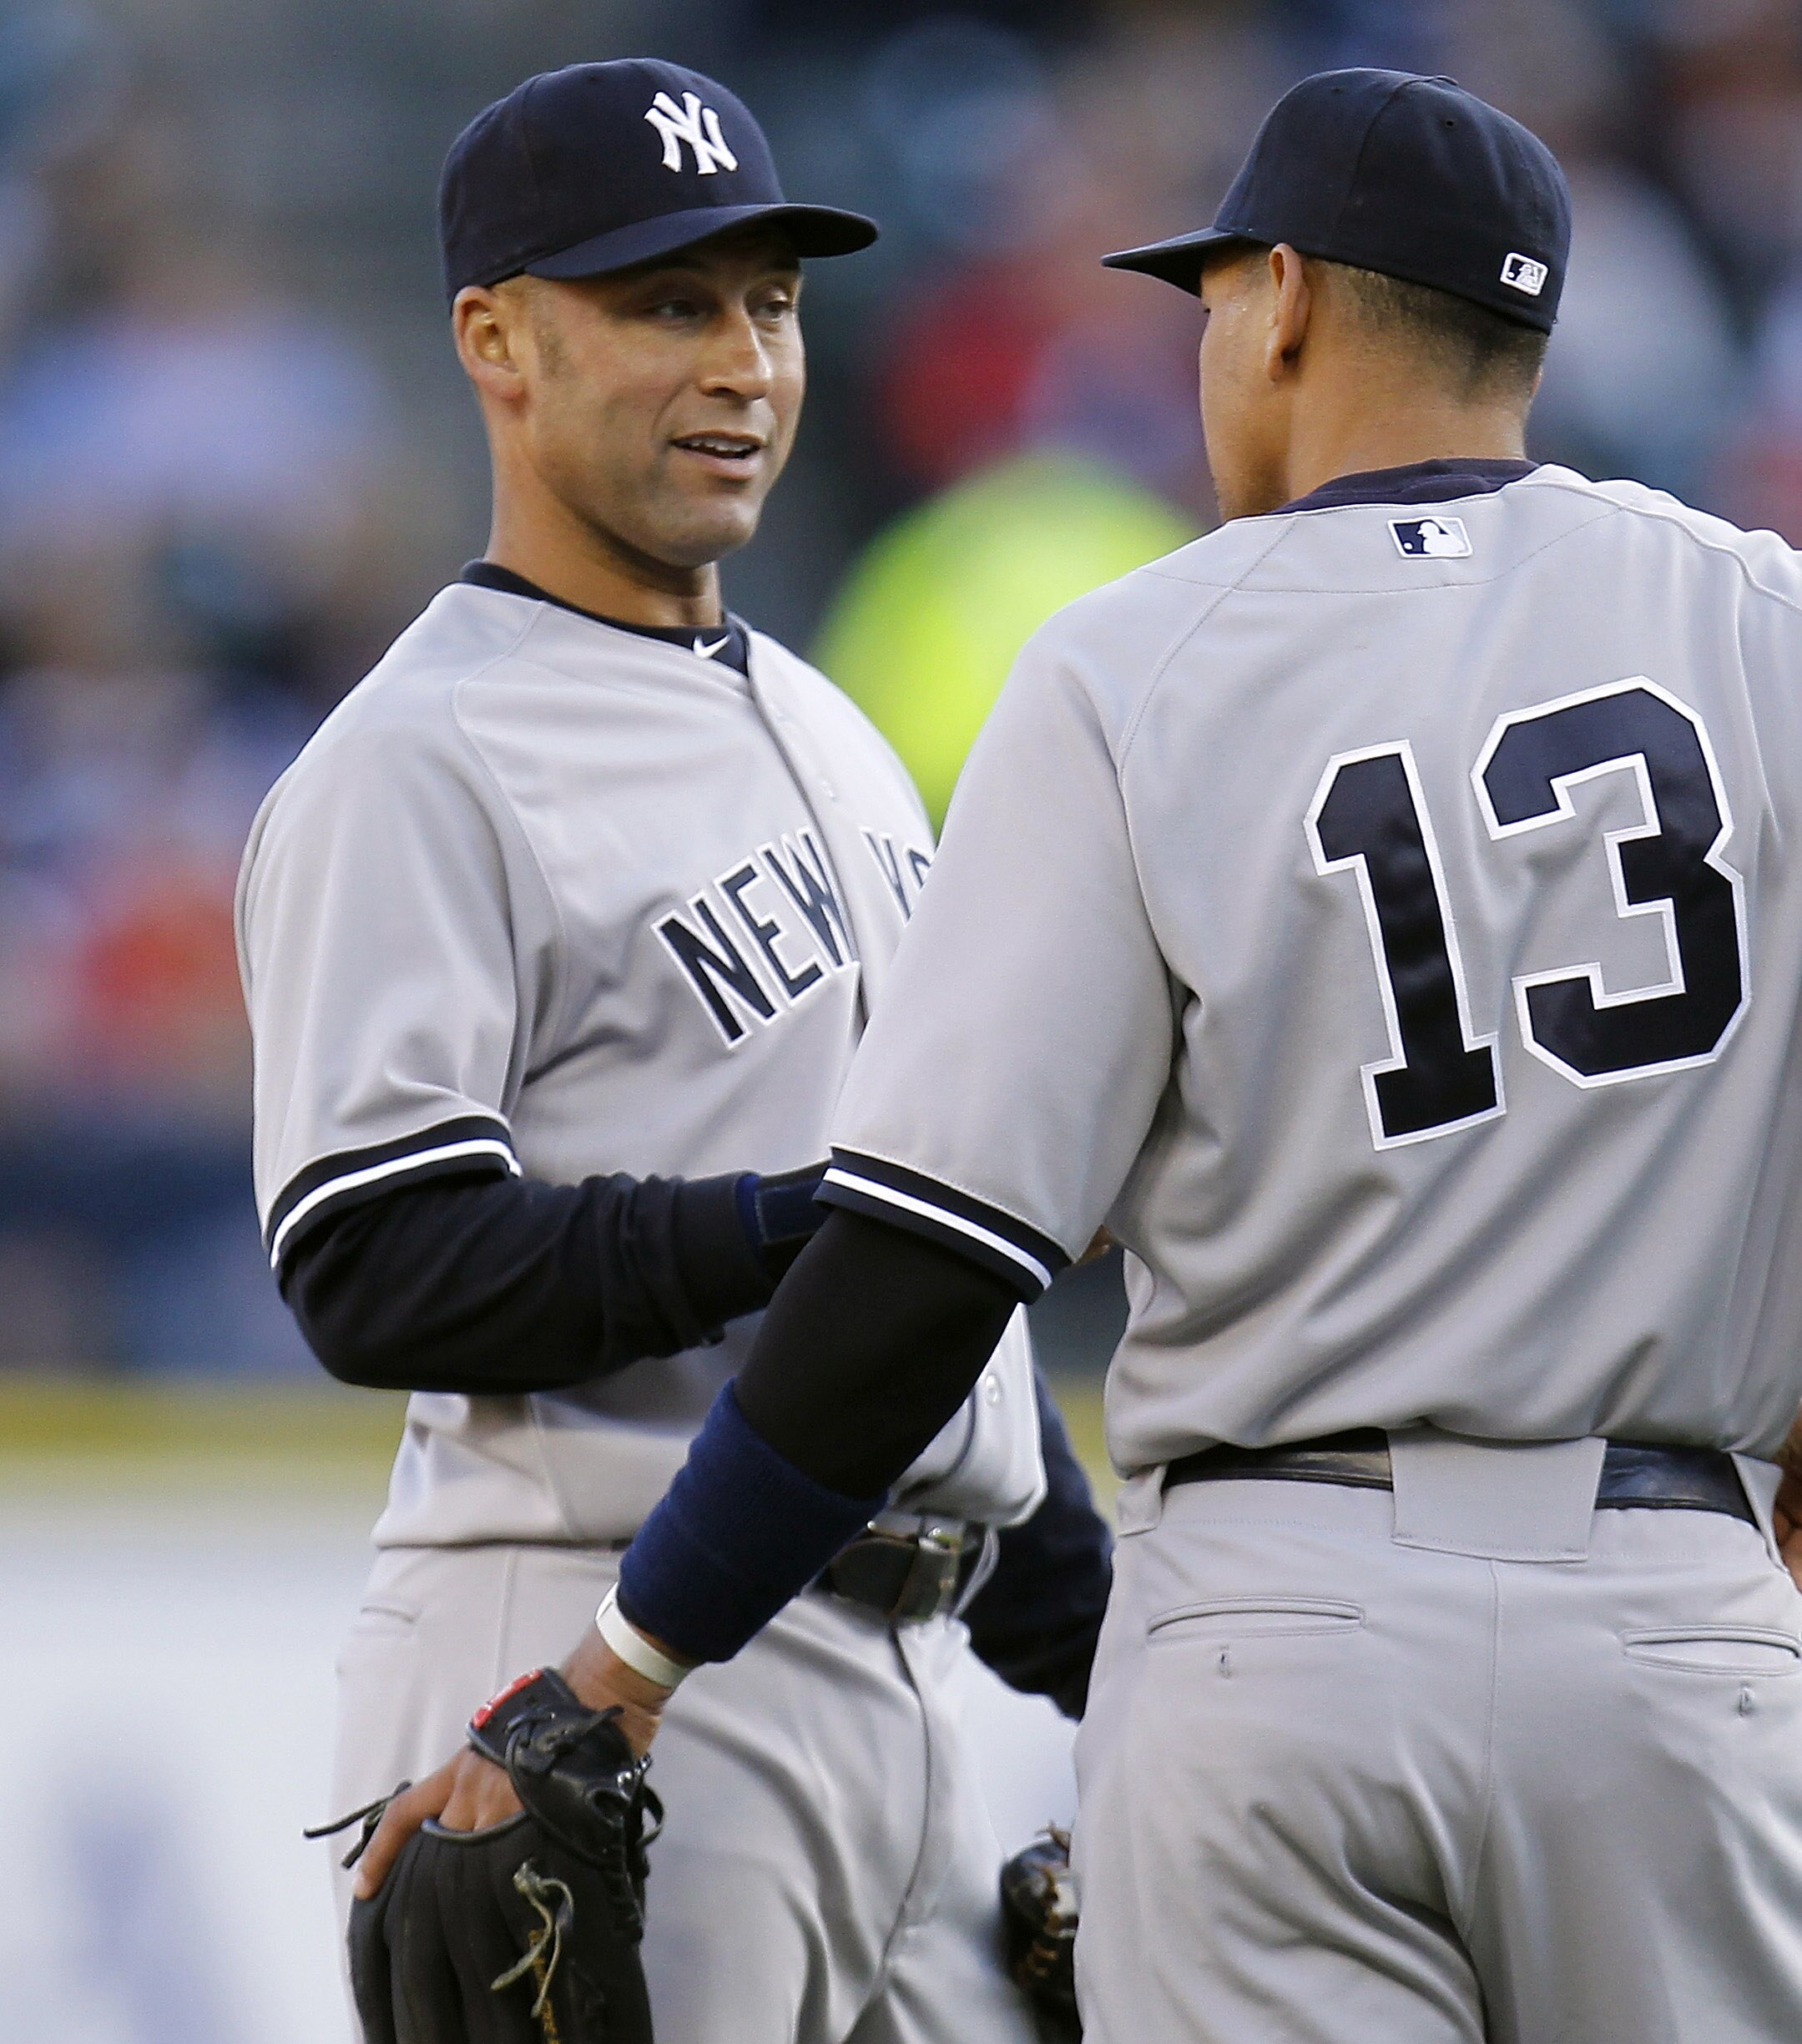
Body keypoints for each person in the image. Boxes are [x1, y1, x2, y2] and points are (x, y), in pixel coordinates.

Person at [356, 68, 1802, 2044]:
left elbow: (927, 1263)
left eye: (1207, 305)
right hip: (1670, 1615)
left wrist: (628, 1660)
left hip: (1274, 1629)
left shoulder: (1132, 664)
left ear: (1279, 301)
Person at [242, 58, 1108, 2044]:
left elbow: (933, 1277)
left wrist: (1116, 1659)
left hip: (909, 1673)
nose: (742, 362)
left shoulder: (834, 724)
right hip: (575, 1652)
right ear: (497, 340)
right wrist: (792, 1226)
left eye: (772, 305)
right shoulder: (415, 758)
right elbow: (373, 1257)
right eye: (665, 304)